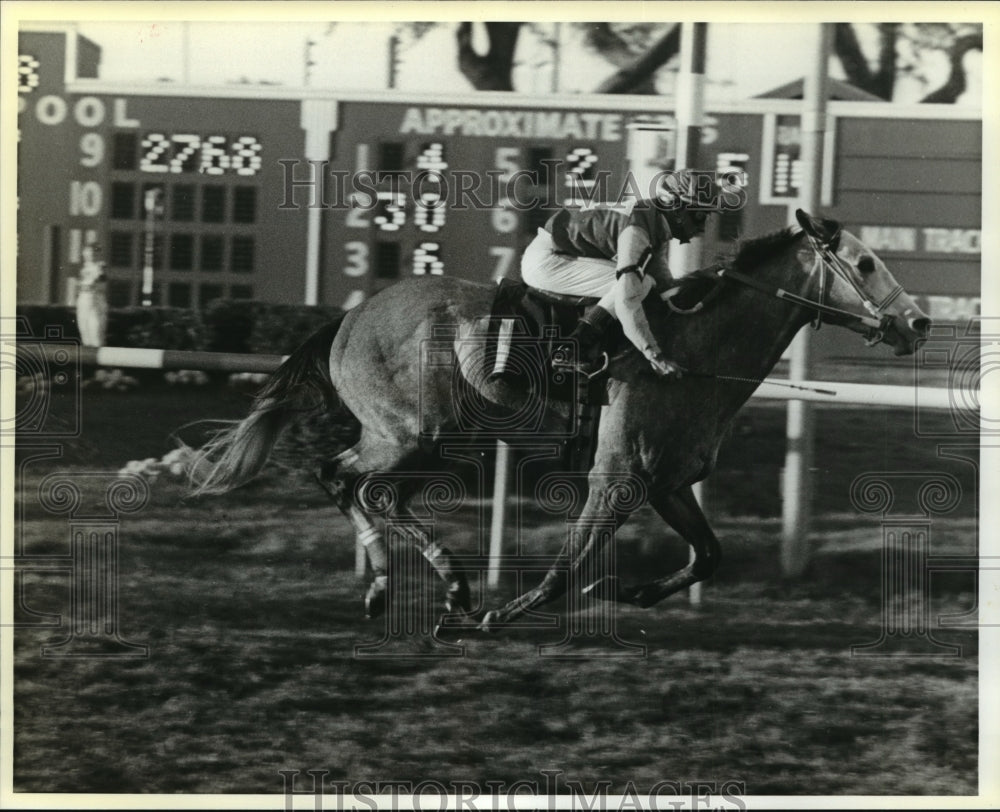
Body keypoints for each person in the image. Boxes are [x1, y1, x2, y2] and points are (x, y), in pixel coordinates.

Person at [520, 171, 712, 379]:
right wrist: (655, 356)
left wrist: (709, 282)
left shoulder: (652, 224)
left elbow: (666, 289)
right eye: (698, 215)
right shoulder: (637, 231)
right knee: (636, 284)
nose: (702, 226)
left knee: (644, 282)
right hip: (546, 261)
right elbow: (627, 301)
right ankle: (574, 347)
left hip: (561, 254)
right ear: (675, 206)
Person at [76, 244, 108, 347]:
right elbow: (81, 287)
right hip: (83, 302)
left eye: (93, 252)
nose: (89, 254)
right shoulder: (83, 269)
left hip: (95, 302)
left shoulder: (100, 267)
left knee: (96, 336)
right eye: (87, 252)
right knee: (85, 338)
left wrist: (91, 282)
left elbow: (101, 283)